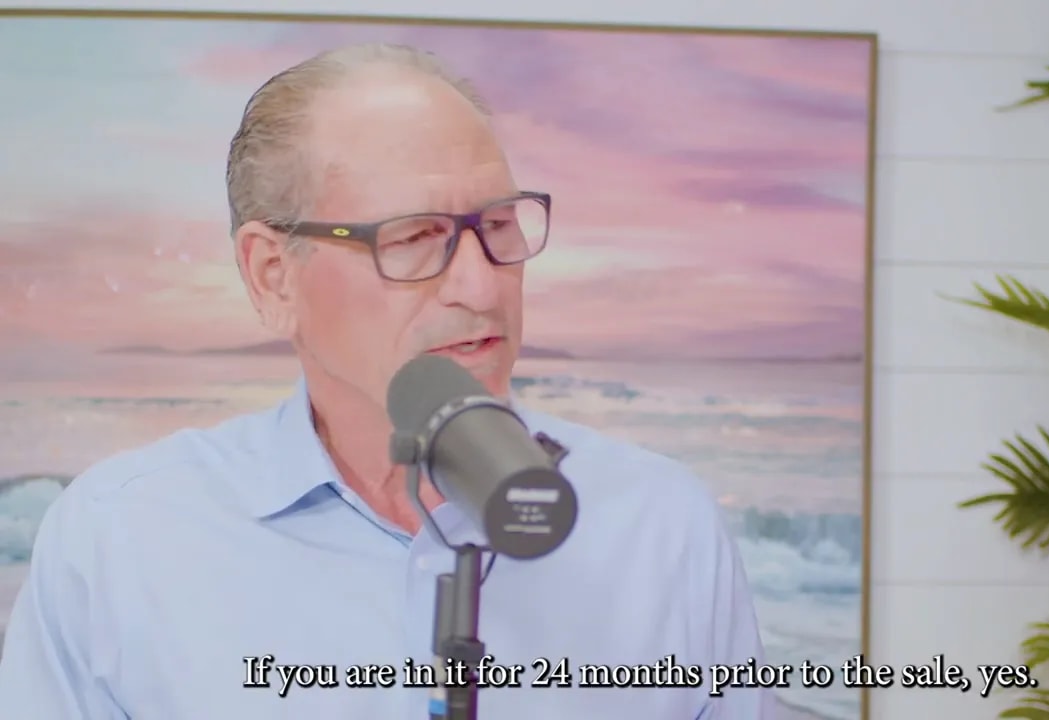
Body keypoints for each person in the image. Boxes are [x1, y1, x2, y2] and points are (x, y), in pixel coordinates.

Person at [0, 43, 776, 719]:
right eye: (414, 237)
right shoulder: (117, 542)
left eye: (497, 227)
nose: (480, 284)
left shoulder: (661, 528)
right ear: (273, 276)